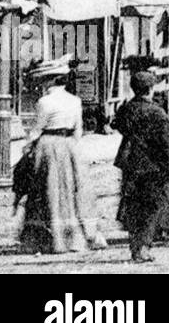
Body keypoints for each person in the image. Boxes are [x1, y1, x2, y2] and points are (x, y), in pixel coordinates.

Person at [17, 57, 107, 255]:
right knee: (73, 191)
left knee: (48, 191)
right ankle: (76, 237)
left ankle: (51, 239)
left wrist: (27, 147)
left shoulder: (44, 102)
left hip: (48, 146)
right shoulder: (75, 101)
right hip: (69, 146)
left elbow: (37, 129)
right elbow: (78, 131)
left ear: (48, 81)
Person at [113, 70, 169, 263]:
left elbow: (116, 124)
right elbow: (165, 143)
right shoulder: (157, 113)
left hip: (131, 162)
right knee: (153, 206)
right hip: (153, 164)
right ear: (150, 89)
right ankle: (143, 247)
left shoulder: (127, 108)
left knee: (134, 205)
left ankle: (135, 247)